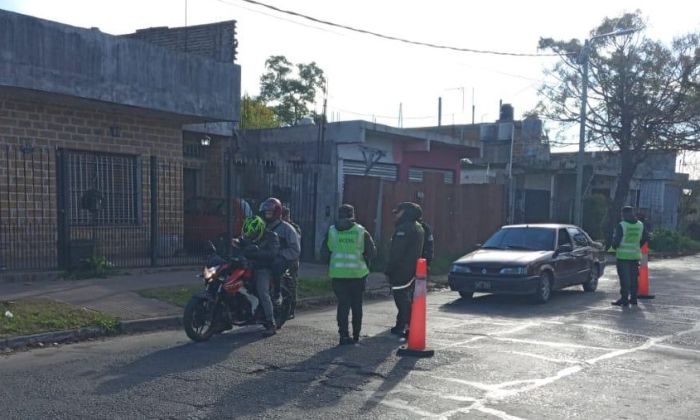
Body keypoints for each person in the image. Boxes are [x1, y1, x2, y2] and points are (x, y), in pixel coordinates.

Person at [321, 204, 377, 345]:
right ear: (353, 215)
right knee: (356, 305)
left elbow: (323, 254)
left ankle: (343, 336)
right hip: (357, 275)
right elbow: (372, 252)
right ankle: (356, 334)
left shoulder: (332, 231)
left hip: (338, 275)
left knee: (343, 305)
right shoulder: (360, 231)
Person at [234, 216, 280, 336]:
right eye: (247, 234)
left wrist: (254, 254)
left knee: (262, 291)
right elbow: (244, 243)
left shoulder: (271, 236)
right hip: (248, 266)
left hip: (263, 268)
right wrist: (237, 243)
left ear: (259, 230)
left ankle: (271, 323)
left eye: (252, 234)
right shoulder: (249, 236)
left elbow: (271, 254)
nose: (250, 236)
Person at [385, 202, 425, 337]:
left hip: (402, 270)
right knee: (407, 299)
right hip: (413, 269)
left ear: (406, 212)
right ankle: (402, 325)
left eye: (398, 212)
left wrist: (389, 270)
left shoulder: (405, 228)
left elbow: (397, 252)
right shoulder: (418, 227)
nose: (396, 215)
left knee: (401, 299)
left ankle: (408, 326)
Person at [259, 198, 301, 317]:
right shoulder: (262, 226)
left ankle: (278, 295)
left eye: (270, 211)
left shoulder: (287, 229)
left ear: (277, 212)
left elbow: (295, 250)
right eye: (265, 211)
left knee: (278, 267)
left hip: (283, 260)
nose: (267, 214)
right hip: (265, 259)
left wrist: (279, 254)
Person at [610, 206, 650, 307]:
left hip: (623, 256)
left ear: (623, 214)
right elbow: (645, 237)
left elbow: (617, 241)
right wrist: (637, 246)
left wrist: (613, 248)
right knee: (633, 278)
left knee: (624, 279)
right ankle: (633, 299)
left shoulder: (622, 225)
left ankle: (624, 299)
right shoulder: (640, 225)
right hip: (635, 255)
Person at [282, 206, 301, 318]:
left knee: (291, 284)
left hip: (292, 260)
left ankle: (291, 309)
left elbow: (295, 245)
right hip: (282, 259)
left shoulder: (293, 228)